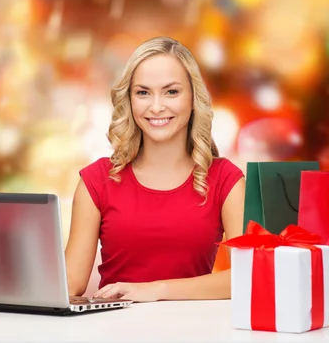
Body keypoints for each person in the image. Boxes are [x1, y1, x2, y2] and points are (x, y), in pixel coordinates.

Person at [65, 36, 245, 302]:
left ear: (193, 98)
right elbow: (69, 286)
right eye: (143, 92)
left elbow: (247, 276)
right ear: (129, 100)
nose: (156, 106)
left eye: (171, 92)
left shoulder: (225, 180)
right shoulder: (97, 181)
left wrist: (157, 290)